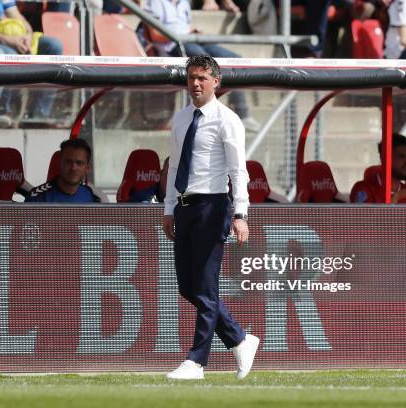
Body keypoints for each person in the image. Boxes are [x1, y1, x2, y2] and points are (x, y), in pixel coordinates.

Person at [162, 56, 259, 380]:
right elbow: (175, 166)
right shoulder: (180, 118)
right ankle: (239, 338)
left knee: (205, 288)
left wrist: (241, 213)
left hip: (212, 205)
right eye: (191, 77)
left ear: (216, 81)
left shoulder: (227, 120)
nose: (195, 83)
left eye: (202, 77)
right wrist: (169, 208)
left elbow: (237, 171)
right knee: (188, 287)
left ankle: (197, 362)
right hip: (185, 207)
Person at [144, 0, 260, 132]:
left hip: (190, 40)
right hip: (173, 46)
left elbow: (184, 27)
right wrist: (182, 36)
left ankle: (242, 114)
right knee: (205, 63)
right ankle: (201, 114)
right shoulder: (154, 2)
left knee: (235, 62)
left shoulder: (184, 2)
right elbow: (155, 35)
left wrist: (192, 33)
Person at [0, 0, 64, 126]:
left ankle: (39, 114)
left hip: (4, 37)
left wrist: (27, 36)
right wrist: (7, 40)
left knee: (53, 46)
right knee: (5, 54)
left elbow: (18, 17)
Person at [351, 134, 406, 203]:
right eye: (401, 156)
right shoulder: (363, 189)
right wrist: (396, 198)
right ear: (385, 158)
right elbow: (364, 220)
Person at [27, 139, 105, 203]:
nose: (73, 168)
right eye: (68, 162)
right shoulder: (37, 197)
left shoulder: (89, 194)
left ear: (88, 168)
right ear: (59, 164)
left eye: (79, 163)